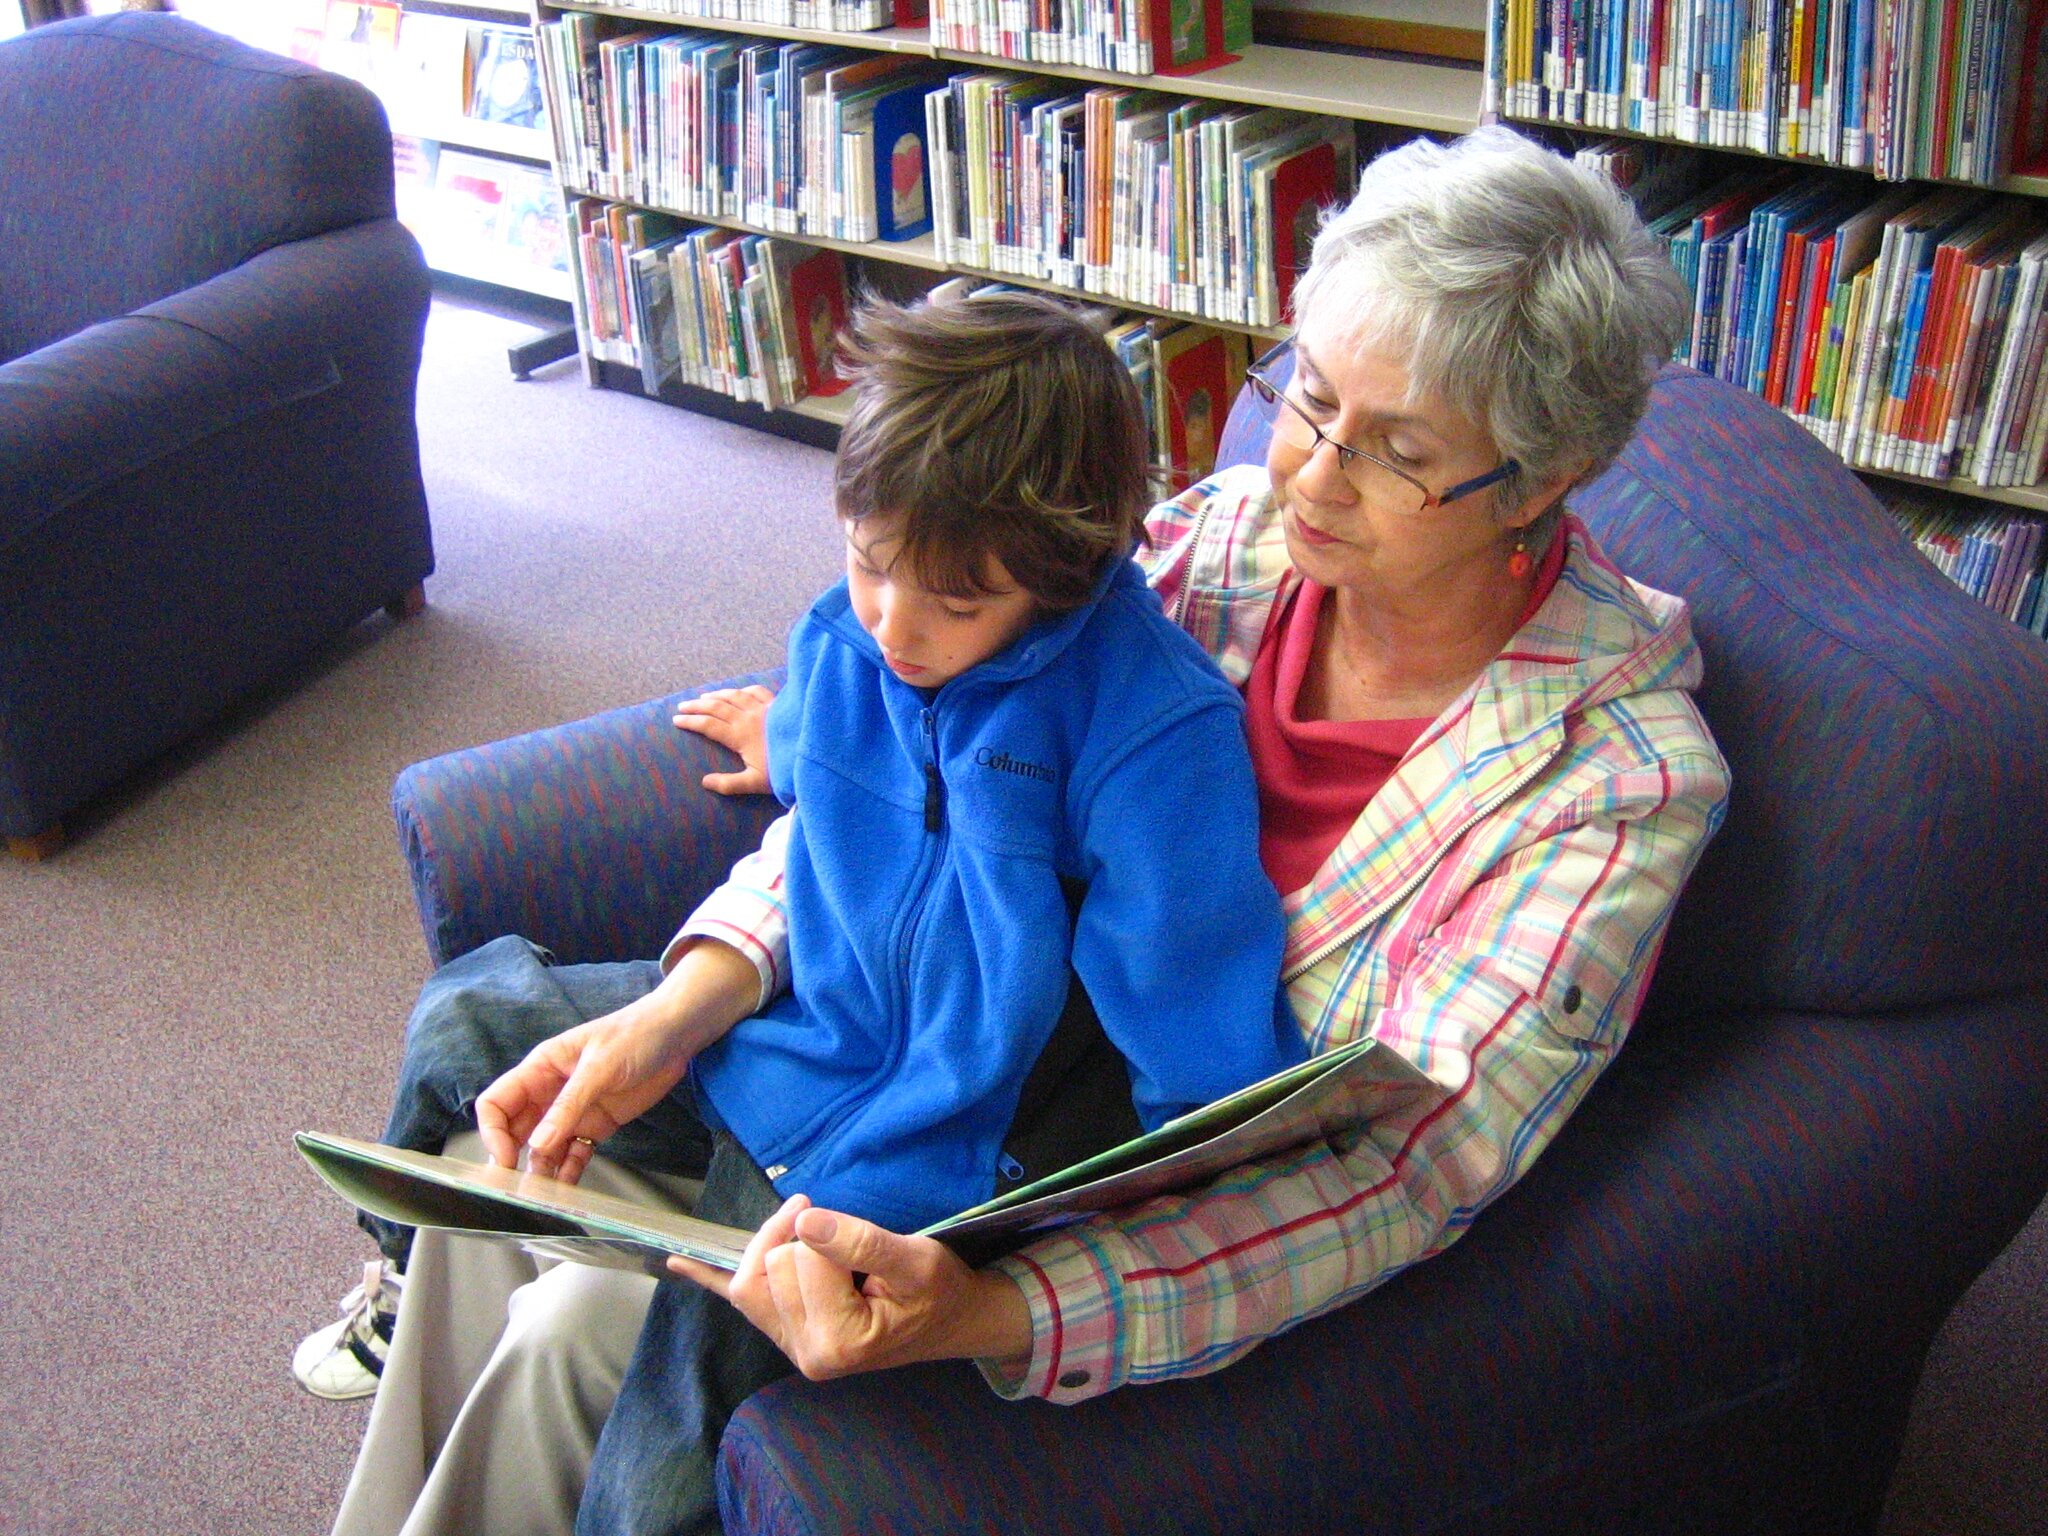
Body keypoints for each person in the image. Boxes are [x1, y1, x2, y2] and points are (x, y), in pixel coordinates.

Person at [323, 120, 1731, 1532]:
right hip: (895, 1056)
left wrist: (1003, 1312)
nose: (1305, 476)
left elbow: (1397, 1179)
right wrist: (691, 994)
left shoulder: (1612, 786)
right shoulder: (1210, 543)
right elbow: (917, 800)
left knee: (576, 1325)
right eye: (1306, 398)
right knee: (498, 1167)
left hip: (1075, 1202)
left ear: (1537, 480)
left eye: (1397, 453)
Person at [320, 291, 1305, 1536]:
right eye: (868, 563)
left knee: (663, 1455)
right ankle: (402, 1273)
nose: (894, 626)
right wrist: (781, 734)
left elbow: (1195, 1031)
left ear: (1064, 579)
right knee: (468, 1012)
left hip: (920, 1146)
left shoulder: (1152, 733)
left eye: (955, 603)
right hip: (788, 1040)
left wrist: (1147, 1238)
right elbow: (836, 745)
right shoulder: (850, 644)